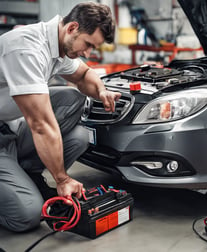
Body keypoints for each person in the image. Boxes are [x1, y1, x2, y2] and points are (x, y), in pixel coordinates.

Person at [0, 2, 121, 232]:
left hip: (9, 128)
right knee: (28, 214)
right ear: (72, 28)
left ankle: (27, 173)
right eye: (88, 45)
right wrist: (62, 180)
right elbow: (41, 125)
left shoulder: (59, 45)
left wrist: (101, 90)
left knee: (78, 129)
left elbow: (84, 73)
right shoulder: (27, 49)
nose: (87, 53)